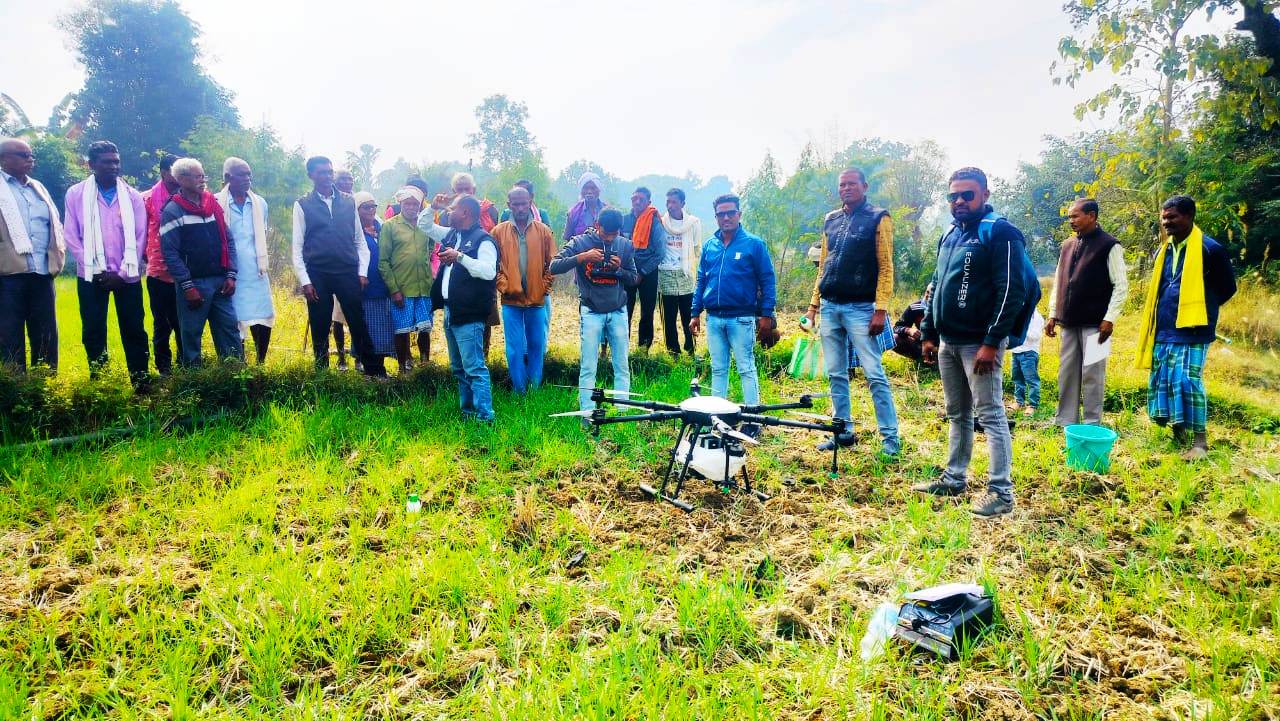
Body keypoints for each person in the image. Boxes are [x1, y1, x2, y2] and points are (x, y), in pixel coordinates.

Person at [916, 167, 1037, 518]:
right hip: (948, 342)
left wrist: (992, 341)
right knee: (957, 413)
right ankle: (954, 478)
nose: (959, 201)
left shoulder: (1000, 232)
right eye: (953, 196)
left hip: (979, 345)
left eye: (967, 195)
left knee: (991, 415)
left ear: (984, 194)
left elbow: (1011, 290)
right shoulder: (951, 233)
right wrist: (928, 332)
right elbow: (936, 284)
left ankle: (1001, 493)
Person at [803, 168, 901, 457]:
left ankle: (890, 439)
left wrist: (880, 309)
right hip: (830, 306)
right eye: (842, 184)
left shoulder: (878, 217)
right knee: (836, 373)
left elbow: (886, 266)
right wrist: (813, 307)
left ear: (864, 186)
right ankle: (842, 431)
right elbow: (824, 266)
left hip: (861, 308)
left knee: (874, 373)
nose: (846, 188)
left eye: (852, 184)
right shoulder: (831, 219)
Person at [1136, 195, 1237, 460]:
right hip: (1164, 328)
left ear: (1189, 216)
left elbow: (1227, 288)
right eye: (1163, 218)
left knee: (1188, 382)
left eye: (1172, 217)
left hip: (1193, 329)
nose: (1166, 222)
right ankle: (1178, 434)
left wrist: (1200, 308)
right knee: (1167, 381)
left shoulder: (1210, 249)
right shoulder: (1163, 251)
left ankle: (1200, 443)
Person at [64, 140, 151, 387]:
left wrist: (122, 273)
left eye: (116, 162)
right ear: (91, 164)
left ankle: (141, 382)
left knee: (134, 328)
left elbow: (140, 235)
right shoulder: (76, 194)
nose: (113, 166)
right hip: (91, 276)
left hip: (127, 275)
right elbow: (71, 235)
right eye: (106, 162)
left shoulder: (132, 196)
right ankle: (101, 383)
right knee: (93, 329)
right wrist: (94, 268)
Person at [688, 194, 777, 434]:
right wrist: (695, 312)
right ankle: (718, 419)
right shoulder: (710, 245)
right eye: (721, 214)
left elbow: (767, 279)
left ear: (739, 214)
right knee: (718, 369)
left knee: (746, 368)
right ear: (716, 217)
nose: (726, 217)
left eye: (730, 213)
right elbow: (701, 280)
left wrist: (766, 314)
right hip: (714, 318)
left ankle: (752, 421)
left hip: (741, 317)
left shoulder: (753, 244)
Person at [291, 155, 385, 376]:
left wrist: (362, 272)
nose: (327, 176)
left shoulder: (348, 202)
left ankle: (374, 371)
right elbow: (297, 247)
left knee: (358, 321)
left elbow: (360, 241)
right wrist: (305, 281)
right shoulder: (303, 204)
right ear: (311, 175)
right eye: (321, 172)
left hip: (347, 271)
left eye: (329, 172)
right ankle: (322, 374)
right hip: (318, 272)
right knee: (320, 324)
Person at [1046, 198, 1129, 426]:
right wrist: (1052, 314)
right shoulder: (1067, 245)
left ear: (1091, 216)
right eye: (1069, 217)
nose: (1071, 220)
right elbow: (1059, 282)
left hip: (1097, 324)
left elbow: (1121, 285)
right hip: (1069, 321)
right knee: (1067, 373)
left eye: (1075, 216)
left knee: (1093, 374)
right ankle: (1065, 421)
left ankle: (1092, 423)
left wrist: (1109, 318)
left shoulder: (1109, 245)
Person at [549, 208, 638, 412]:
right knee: (589, 366)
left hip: (618, 310)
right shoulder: (580, 242)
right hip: (591, 311)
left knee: (622, 365)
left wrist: (619, 270)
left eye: (615, 234)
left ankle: (622, 412)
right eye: (606, 234)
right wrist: (582, 257)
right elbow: (554, 266)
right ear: (597, 226)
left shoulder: (625, 245)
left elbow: (633, 278)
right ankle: (587, 412)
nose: (610, 239)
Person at [158, 158, 242, 367]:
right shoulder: (172, 210)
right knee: (191, 335)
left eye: (203, 176)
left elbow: (228, 240)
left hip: (221, 281)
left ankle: (235, 375)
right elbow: (170, 253)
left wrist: (231, 274)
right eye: (197, 176)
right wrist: (187, 286)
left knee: (229, 330)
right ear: (181, 179)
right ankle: (194, 379)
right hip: (194, 284)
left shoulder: (211, 204)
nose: (203, 180)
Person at [431, 195, 498, 422]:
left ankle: (485, 417)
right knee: (458, 368)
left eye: (453, 209)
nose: (449, 212)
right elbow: (424, 226)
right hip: (451, 311)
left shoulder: (484, 240)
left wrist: (460, 257)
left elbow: (488, 272)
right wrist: (432, 207)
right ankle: (468, 414)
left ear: (465, 213)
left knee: (474, 368)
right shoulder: (453, 235)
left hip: (470, 313)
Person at [0, 137, 64, 372]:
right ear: (4, 159)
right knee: (9, 334)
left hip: (42, 271)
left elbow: (54, 224)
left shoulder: (38, 188)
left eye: (31, 155)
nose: (30, 159)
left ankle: (45, 384)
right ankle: (15, 386)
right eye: (23, 155)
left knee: (46, 332)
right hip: (8, 274)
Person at [493, 186, 555, 393]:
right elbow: (492, 264)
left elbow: (553, 264)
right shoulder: (498, 232)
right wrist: (503, 285)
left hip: (537, 300)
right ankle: (519, 390)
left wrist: (544, 287)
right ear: (508, 204)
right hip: (511, 300)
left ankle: (534, 389)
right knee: (514, 348)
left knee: (537, 345)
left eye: (524, 203)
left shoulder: (543, 231)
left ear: (531, 201)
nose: (520, 208)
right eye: (516, 204)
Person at [217, 157, 275, 364]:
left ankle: (260, 363)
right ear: (228, 177)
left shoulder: (260, 203)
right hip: (229, 271)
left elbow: (262, 235)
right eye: (242, 174)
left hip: (256, 269)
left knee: (263, 315)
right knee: (234, 318)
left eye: (249, 174)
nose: (247, 178)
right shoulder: (215, 203)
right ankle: (238, 364)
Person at [379, 186, 437, 371]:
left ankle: (425, 364)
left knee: (425, 329)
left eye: (415, 204)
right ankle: (403, 367)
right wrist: (394, 290)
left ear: (420, 205)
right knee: (401, 330)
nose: (411, 207)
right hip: (402, 288)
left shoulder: (425, 224)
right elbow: (383, 261)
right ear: (400, 204)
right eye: (407, 204)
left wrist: (426, 263)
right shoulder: (390, 226)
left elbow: (431, 246)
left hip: (424, 287)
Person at [142, 153, 183, 375]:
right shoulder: (147, 199)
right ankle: (164, 368)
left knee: (183, 321)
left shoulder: (188, 196)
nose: (179, 176)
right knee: (161, 322)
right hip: (158, 270)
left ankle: (186, 365)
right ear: (164, 172)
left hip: (184, 271)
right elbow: (140, 233)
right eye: (175, 171)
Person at [658, 188, 701, 357]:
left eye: (674, 202)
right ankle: (673, 352)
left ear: (682, 203)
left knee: (688, 315)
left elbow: (696, 247)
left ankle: (691, 350)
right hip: (666, 273)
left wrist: (688, 265)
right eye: (668, 202)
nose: (670, 205)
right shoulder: (661, 222)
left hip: (686, 274)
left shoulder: (693, 223)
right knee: (668, 317)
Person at [621, 187, 666, 351]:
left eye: (641, 199)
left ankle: (643, 349)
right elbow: (618, 245)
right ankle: (622, 347)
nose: (637, 202)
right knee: (624, 310)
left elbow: (660, 253)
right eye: (634, 198)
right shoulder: (624, 220)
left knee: (647, 312)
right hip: (627, 272)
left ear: (649, 202)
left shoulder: (654, 222)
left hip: (648, 273)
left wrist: (642, 272)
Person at [355, 192, 396, 365]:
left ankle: (379, 366)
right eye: (366, 207)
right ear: (357, 210)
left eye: (373, 206)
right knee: (369, 328)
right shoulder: (353, 232)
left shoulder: (382, 228)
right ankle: (371, 367)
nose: (371, 210)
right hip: (366, 288)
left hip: (384, 287)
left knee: (384, 329)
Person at [1009, 309, 1044, 416]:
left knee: (1031, 380)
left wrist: (1020, 330)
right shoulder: (1018, 313)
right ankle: (1019, 401)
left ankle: (1033, 405)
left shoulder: (1037, 317)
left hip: (1029, 353)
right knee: (1017, 378)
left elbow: (1035, 336)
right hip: (1016, 352)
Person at [563, 172, 606, 241]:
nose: (589, 191)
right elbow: (567, 237)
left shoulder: (607, 211)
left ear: (599, 190)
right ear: (581, 191)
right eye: (586, 188)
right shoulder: (573, 212)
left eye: (593, 188)